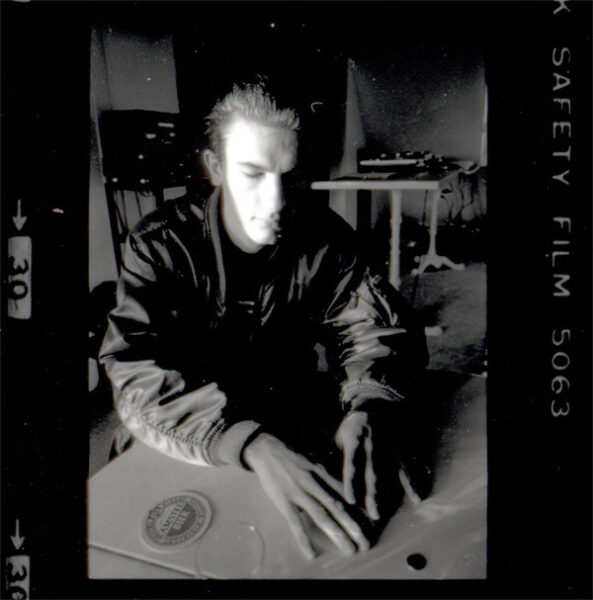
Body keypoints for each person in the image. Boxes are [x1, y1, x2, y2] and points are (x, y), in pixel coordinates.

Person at [100, 84, 429, 559]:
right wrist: (246, 442)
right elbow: (134, 371)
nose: (275, 201)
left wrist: (370, 403)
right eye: (252, 173)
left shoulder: (327, 237)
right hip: (189, 434)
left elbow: (371, 328)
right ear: (215, 168)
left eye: (288, 178)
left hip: (289, 416)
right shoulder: (158, 245)